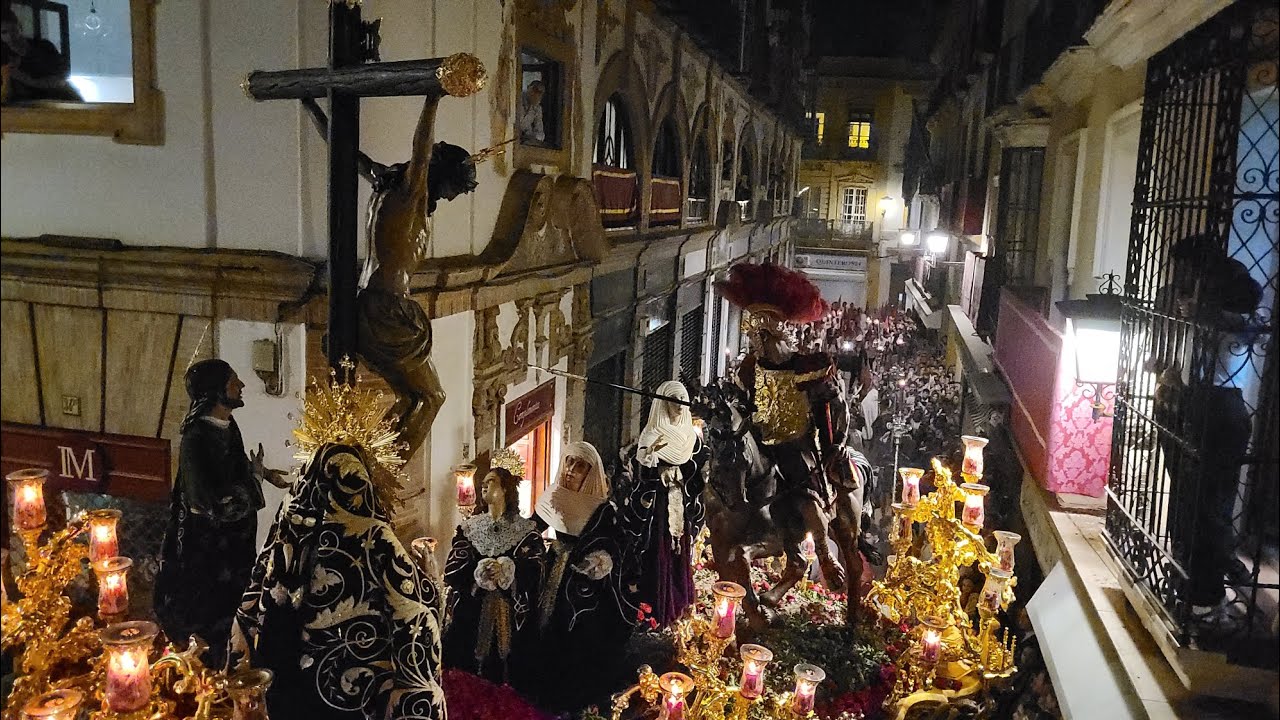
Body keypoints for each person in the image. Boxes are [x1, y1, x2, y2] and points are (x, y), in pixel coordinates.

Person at [231, 438, 446, 719]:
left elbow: (257, 586)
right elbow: (417, 602)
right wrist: (431, 579)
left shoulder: (291, 518)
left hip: (287, 666)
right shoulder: (374, 533)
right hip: (355, 682)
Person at [356, 90, 480, 467]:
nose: (456, 196)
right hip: (388, 311)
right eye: (458, 187)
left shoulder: (382, 182)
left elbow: (347, 152)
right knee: (434, 397)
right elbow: (422, 147)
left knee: (408, 398)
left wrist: (313, 104)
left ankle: (368, 460)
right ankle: (382, 477)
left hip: (366, 301)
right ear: (441, 172)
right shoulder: (412, 190)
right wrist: (433, 97)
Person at [717, 262, 855, 589]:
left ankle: (824, 553)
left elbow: (829, 410)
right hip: (759, 436)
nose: (756, 343)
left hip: (797, 441)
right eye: (752, 337)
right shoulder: (750, 368)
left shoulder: (806, 366)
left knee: (803, 491)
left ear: (778, 334)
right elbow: (745, 401)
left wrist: (831, 444)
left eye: (761, 336)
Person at [1150, 233, 1262, 623]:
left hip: (1218, 405)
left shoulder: (1236, 302)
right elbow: (1169, 354)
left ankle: (1205, 591)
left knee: (1208, 505)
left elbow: (1246, 326)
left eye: (1186, 269)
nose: (1178, 277)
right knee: (1183, 495)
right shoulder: (1182, 299)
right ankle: (1182, 574)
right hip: (1184, 400)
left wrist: (1204, 313)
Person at [153, 359, 289, 670]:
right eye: (233, 381)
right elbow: (207, 501)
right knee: (214, 611)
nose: (241, 386)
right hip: (210, 550)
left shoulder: (228, 426)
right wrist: (254, 482)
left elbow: (237, 467)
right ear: (215, 392)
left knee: (236, 602)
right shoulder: (195, 439)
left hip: (235, 545)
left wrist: (264, 473)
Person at [532, 442, 638, 709]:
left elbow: (617, 545)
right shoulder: (552, 497)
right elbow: (532, 529)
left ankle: (575, 694)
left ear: (590, 474)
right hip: (553, 571)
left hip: (585, 585)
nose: (570, 471)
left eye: (579, 466)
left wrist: (600, 561)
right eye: (568, 463)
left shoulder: (601, 509)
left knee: (577, 632)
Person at [442, 467, 545, 687]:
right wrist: (478, 573)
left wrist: (509, 570)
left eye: (491, 481)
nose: (484, 485)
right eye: (483, 482)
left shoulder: (526, 531)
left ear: (505, 489)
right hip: (472, 616)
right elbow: (453, 567)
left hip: (513, 615)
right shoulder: (470, 528)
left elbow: (536, 569)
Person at [617, 381, 706, 628]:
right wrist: (650, 461)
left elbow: (696, 471)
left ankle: (679, 598)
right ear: (664, 403)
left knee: (678, 552)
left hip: (680, 501)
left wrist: (685, 481)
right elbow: (640, 475)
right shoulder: (651, 434)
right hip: (657, 507)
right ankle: (657, 603)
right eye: (673, 403)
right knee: (659, 551)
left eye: (682, 404)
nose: (678, 409)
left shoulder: (690, 435)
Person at [516, 80, 546, 144]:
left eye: (539, 93)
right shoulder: (517, 100)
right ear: (528, 88)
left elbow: (540, 131)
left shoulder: (537, 108)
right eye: (534, 90)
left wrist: (532, 136)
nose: (535, 94)